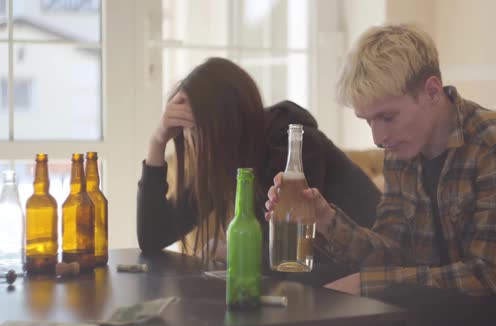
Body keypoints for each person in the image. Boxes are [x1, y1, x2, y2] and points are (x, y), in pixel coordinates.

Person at [265, 24, 496, 326]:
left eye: (387, 117)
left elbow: (491, 280)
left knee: (389, 297)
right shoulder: (402, 156)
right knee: (303, 281)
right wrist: (326, 220)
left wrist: (366, 285)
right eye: (368, 121)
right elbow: (390, 254)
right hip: (449, 301)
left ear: (432, 91)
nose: (378, 138)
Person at [136, 57, 381, 285]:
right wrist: (157, 141)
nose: (192, 142)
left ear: (229, 121)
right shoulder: (226, 159)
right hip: (313, 280)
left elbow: (288, 255)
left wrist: (230, 251)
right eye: (186, 131)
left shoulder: (295, 147)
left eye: (198, 129)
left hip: (364, 271)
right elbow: (153, 237)